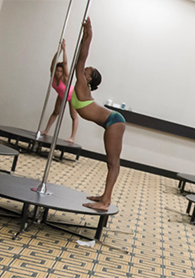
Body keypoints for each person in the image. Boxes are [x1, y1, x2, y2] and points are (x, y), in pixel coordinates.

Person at [69, 18, 125, 211]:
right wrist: (85, 35)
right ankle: (104, 196)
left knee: (113, 163)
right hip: (111, 122)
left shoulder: (82, 83)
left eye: (87, 70)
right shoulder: (83, 87)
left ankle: (106, 202)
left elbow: (81, 57)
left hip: (114, 121)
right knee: (111, 162)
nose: (84, 68)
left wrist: (89, 34)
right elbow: (80, 60)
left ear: (89, 78)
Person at [41, 39, 78, 143]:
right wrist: (59, 51)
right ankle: (46, 130)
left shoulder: (65, 78)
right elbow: (53, 63)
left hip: (72, 95)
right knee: (55, 112)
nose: (58, 73)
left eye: (60, 71)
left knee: (73, 116)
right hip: (62, 95)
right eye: (57, 70)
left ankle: (72, 137)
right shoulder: (53, 76)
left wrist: (65, 50)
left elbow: (65, 63)